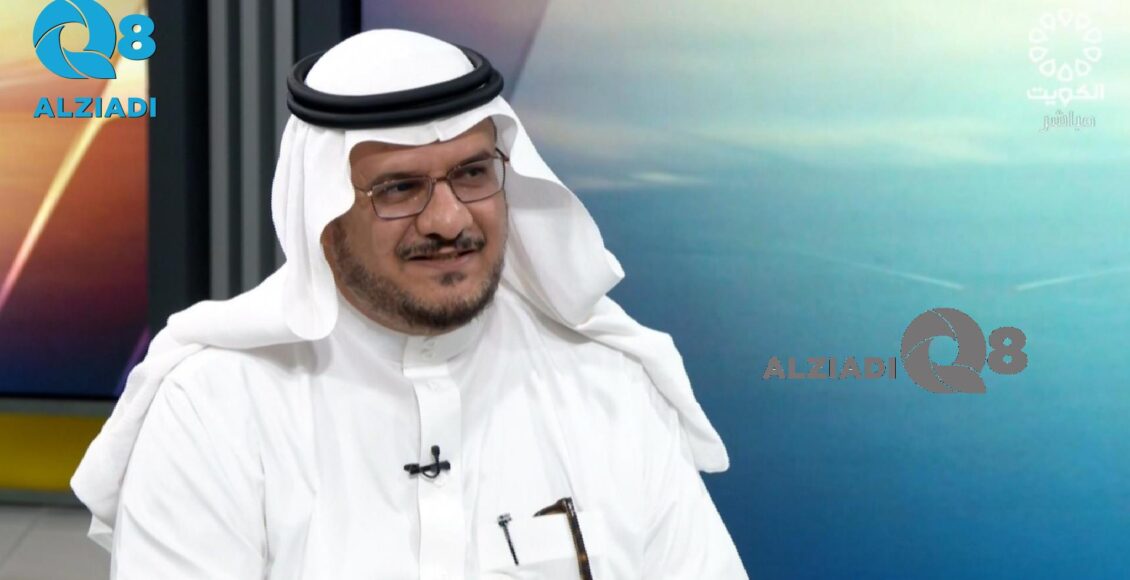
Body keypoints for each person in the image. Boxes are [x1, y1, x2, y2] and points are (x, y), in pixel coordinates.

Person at [72, 29, 748, 579]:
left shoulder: (609, 388)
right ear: (322, 216)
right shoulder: (216, 406)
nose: (449, 220)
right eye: (398, 189)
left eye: (473, 174)